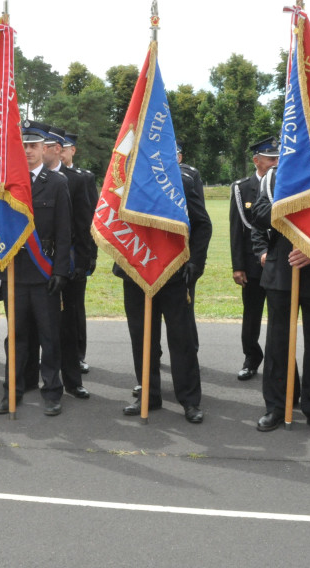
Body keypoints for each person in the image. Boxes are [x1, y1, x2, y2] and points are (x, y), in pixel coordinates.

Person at [251, 167, 310, 438]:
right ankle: (278, 405)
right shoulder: (274, 176)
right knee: (278, 344)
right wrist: (292, 213)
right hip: (283, 268)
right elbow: (258, 215)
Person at [117, 162, 211, 424]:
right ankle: (149, 395)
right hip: (136, 269)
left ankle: (190, 401)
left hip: (174, 271)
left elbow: (202, 225)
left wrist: (194, 263)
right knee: (142, 339)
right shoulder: (123, 175)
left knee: (181, 340)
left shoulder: (181, 181)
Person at [0, 121, 71, 416]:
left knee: (50, 336)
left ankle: (52, 392)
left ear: (44, 149)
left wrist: (61, 271)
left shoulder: (57, 183)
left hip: (44, 270)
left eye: (33, 146)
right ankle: (11, 392)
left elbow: (65, 232)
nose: (28, 150)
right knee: (16, 337)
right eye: (23, 146)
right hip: (14, 270)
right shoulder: (5, 183)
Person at [37, 122, 92, 400]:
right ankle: (31, 377)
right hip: (35, 262)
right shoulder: (26, 178)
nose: (34, 149)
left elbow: (85, 225)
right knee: (33, 323)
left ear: (57, 149)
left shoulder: (77, 180)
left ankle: (72, 380)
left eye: (41, 145)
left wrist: (84, 263)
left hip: (68, 264)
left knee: (67, 325)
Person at [229, 136, 279, 381]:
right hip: (252, 263)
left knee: (278, 316)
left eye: (277, 159)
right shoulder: (241, 188)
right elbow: (236, 229)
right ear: (256, 160)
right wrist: (238, 266)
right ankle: (251, 358)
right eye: (270, 159)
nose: (274, 164)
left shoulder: (283, 183)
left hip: (280, 260)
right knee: (252, 314)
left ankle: (275, 361)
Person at [60, 130, 97, 372]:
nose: (59, 151)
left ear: (72, 150)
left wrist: (88, 257)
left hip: (74, 255)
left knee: (74, 309)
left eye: (64, 147)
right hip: (47, 255)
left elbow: (89, 221)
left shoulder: (82, 178)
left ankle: (77, 355)